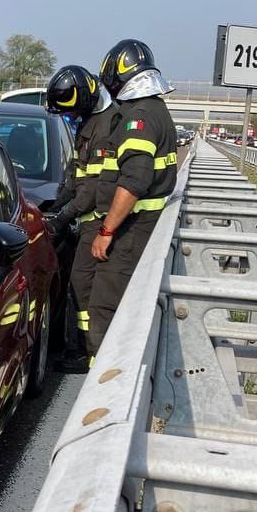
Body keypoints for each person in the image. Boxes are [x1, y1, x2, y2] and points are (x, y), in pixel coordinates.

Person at [87, 39, 178, 357]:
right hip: (143, 230)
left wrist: (106, 231)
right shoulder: (156, 110)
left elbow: (134, 181)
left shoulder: (138, 118)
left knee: (105, 311)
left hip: (129, 235)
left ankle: (99, 389)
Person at [43, 65, 118, 372]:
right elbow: (74, 179)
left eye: (71, 113)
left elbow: (89, 192)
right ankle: (81, 349)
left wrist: (60, 220)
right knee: (78, 284)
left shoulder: (104, 129)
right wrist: (53, 203)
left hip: (96, 221)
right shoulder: (88, 124)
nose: (69, 119)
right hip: (84, 219)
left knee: (82, 285)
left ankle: (88, 355)